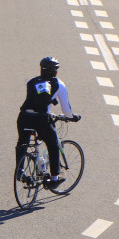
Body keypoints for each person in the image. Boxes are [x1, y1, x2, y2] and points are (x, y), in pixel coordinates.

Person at [15, 57, 81, 189]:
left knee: (22, 143)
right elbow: (66, 110)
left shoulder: (32, 81)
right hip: (41, 119)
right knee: (53, 144)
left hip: (24, 116)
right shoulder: (59, 84)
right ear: (56, 72)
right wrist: (72, 117)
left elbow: (35, 100)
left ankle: (20, 172)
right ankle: (54, 177)